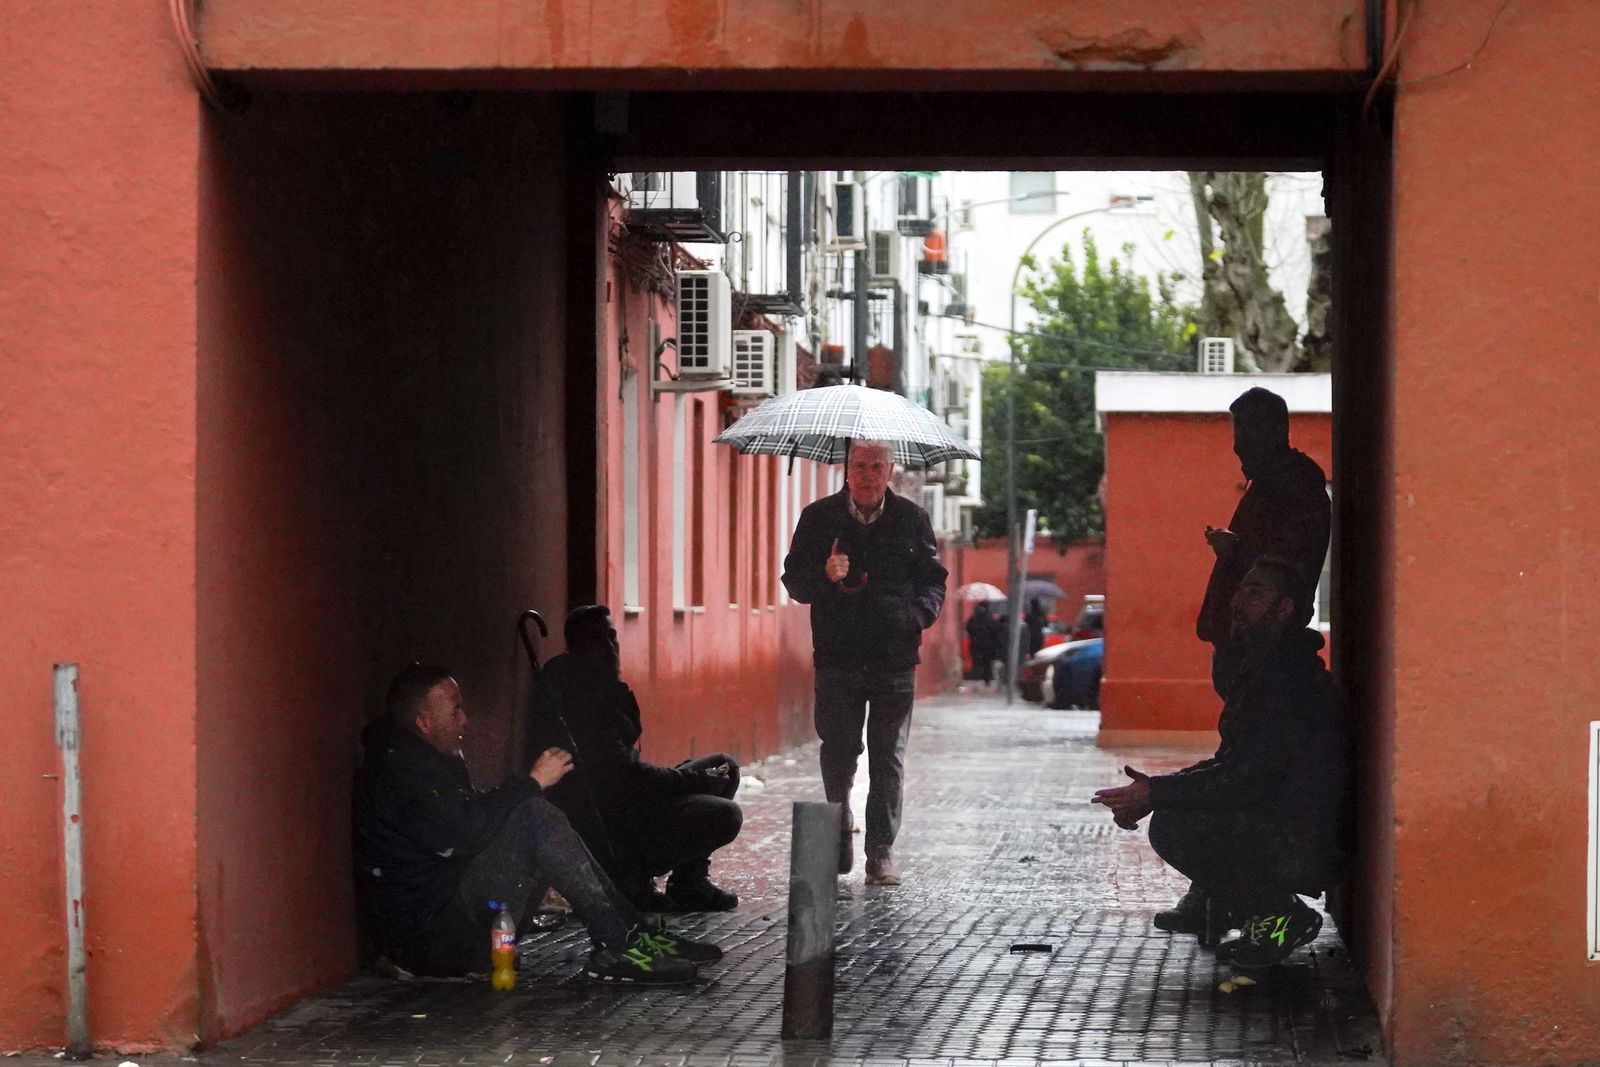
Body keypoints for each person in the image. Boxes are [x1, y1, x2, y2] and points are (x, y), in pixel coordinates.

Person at [353, 663, 722, 985]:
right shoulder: (401, 772)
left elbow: (470, 817)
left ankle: (629, 933)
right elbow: (468, 830)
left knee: (534, 815)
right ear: (424, 723)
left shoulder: (425, 756)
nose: (465, 720)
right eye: (456, 711)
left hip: (451, 921)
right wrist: (529, 783)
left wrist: (526, 794)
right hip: (431, 944)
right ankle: (618, 944)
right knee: (533, 817)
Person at [1092, 558, 1350, 968]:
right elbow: (1234, 762)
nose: (1237, 601)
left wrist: (1157, 794)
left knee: (1177, 825)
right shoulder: (1267, 665)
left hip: (1306, 839)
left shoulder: (1285, 678)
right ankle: (1233, 907)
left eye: (1255, 593)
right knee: (1184, 808)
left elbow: (1248, 778)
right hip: (1291, 821)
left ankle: (1280, 917)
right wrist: (1154, 789)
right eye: (1241, 589)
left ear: (1285, 608)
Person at [782, 438, 948, 886]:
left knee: (887, 757)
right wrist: (824, 574)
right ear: (847, 469)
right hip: (837, 656)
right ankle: (839, 829)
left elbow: (933, 582)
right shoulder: (819, 518)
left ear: (890, 470)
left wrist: (915, 617)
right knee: (838, 752)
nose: (868, 475)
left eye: (877, 466)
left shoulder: (912, 519)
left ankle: (880, 852)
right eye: (860, 465)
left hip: (895, 658)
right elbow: (795, 582)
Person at [528, 605, 743, 913]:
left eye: (612, 637)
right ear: (579, 646)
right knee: (725, 814)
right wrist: (693, 781)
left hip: (632, 800)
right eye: (598, 639)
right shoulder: (582, 698)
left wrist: (693, 779)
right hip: (619, 823)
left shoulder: (602, 685)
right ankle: (633, 878)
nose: (610, 647)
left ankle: (689, 884)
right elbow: (626, 776)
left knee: (725, 765)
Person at [1196, 387, 1330, 684]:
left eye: (1250, 428)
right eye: (1238, 430)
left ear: (1277, 430)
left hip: (1264, 645)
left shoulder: (1293, 484)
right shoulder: (1274, 482)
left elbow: (1287, 562)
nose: (1239, 443)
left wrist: (1234, 552)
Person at [965, 601, 1000, 686]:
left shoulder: (974, 618)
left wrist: (974, 636)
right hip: (988, 646)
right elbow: (996, 631)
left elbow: (968, 628)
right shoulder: (990, 619)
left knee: (977, 662)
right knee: (987, 663)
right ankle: (986, 679)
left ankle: (977, 678)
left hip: (977, 644)